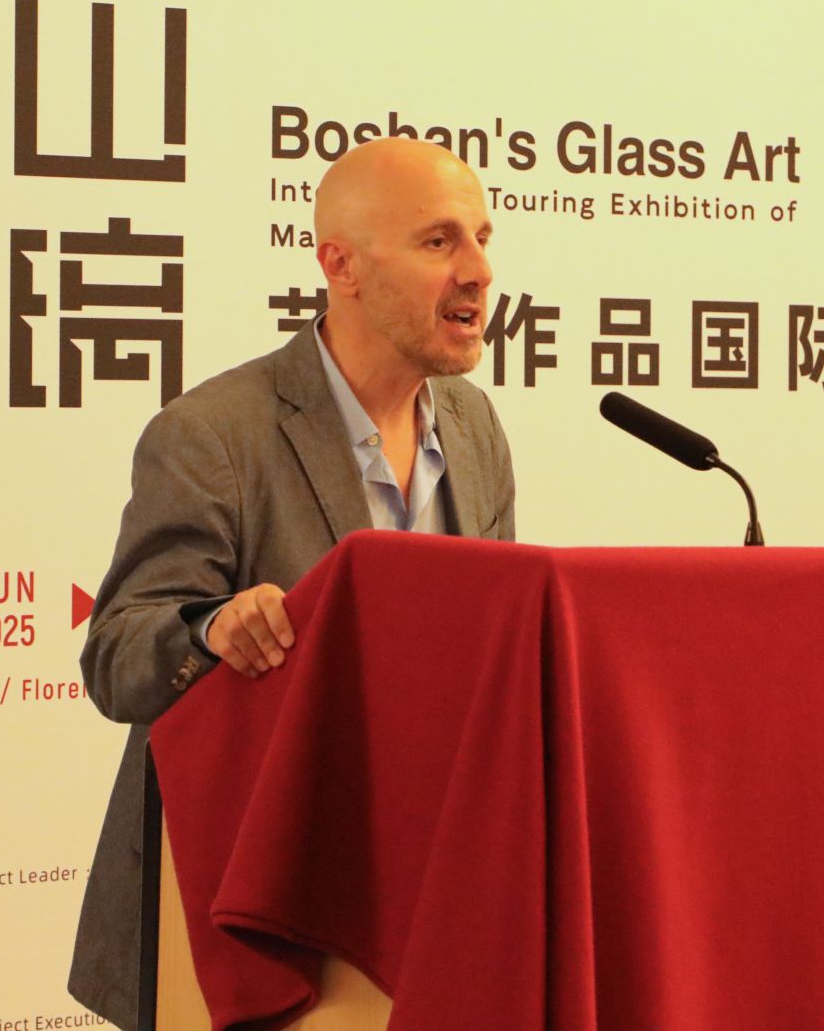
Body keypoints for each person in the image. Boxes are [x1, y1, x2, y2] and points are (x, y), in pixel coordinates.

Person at [68, 137, 517, 1028]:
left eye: (481, 237)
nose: (478, 270)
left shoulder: (473, 427)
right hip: (242, 920)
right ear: (340, 265)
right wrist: (211, 629)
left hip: (418, 901)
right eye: (439, 241)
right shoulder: (215, 433)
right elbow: (117, 654)